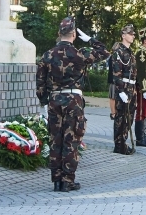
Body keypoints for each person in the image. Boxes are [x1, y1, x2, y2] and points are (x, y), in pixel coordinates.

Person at [36, 17, 110, 192]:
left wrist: (44, 101)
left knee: (56, 140)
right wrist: (90, 39)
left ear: (58, 34)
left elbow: (40, 82)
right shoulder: (80, 54)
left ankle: (57, 181)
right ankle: (67, 180)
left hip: (54, 101)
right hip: (73, 101)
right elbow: (104, 52)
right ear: (74, 34)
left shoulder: (47, 55)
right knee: (71, 140)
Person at [111, 24, 138, 154]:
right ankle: (119, 145)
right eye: (130, 34)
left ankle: (124, 142)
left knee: (129, 117)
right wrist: (121, 91)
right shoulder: (118, 52)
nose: (133, 36)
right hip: (124, 89)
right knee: (121, 117)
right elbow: (116, 73)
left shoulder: (130, 52)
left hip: (131, 88)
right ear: (123, 35)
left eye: (133, 34)